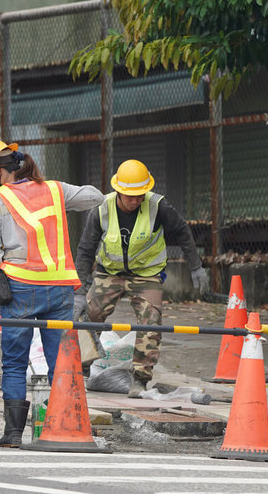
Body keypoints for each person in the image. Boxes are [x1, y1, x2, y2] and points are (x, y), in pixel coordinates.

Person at [0, 138, 103, 447]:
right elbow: (95, 197)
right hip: (60, 289)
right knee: (61, 360)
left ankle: (14, 434)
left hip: (19, 289)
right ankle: (65, 425)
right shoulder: (55, 191)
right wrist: (60, 198)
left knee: (15, 362)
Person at [74, 159, 209, 398]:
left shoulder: (159, 207)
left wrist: (196, 266)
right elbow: (86, 249)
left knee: (150, 321)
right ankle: (82, 367)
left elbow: (183, 233)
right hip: (110, 273)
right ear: (118, 191)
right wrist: (79, 288)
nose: (135, 200)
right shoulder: (101, 209)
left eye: (140, 195)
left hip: (147, 275)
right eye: (130, 196)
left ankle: (140, 380)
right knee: (87, 316)